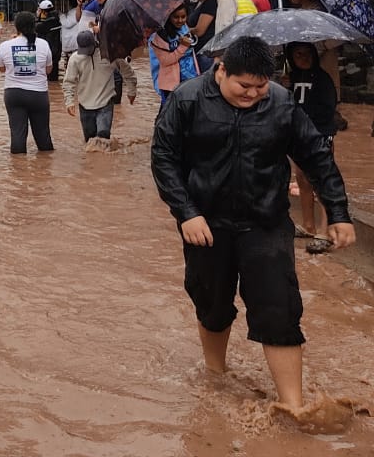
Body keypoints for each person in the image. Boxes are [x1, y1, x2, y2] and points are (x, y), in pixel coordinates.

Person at [151, 36, 355, 415]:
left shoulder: (279, 103)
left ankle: (293, 407)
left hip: (266, 222)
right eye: (244, 86)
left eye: (261, 87)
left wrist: (339, 213)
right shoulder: (188, 100)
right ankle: (216, 375)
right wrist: (186, 212)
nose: (253, 94)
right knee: (211, 303)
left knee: (278, 309)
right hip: (206, 224)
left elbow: (316, 157)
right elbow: (163, 158)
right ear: (221, 70)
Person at [280, 42, 339, 245]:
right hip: (298, 138)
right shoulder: (290, 79)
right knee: (304, 182)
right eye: (298, 54)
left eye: (307, 53)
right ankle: (308, 226)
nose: (303, 58)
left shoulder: (323, 80)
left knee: (322, 183)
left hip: (319, 136)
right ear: (291, 58)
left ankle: (325, 231)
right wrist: (285, 88)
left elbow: (329, 109)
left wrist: (318, 132)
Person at [63, 30, 136, 142]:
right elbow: (69, 82)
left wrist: (132, 91)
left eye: (88, 49)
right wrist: (69, 102)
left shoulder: (110, 54)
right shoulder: (75, 58)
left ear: (95, 44)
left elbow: (128, 72)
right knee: (89, 140)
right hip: (85, 105)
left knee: (103, 137)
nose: (86, 53)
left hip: (105, 103)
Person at [0, 10, 54, 154]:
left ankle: (18, 171)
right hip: (38, 95)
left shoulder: (5, 46)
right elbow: (48, 70)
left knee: (17, 135)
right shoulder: (44, 45)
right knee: (43, 136)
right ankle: (46, 169)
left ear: (17, 27)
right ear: (34, 26)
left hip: (14, 94)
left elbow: (2, 69)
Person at [148, 6, 199, 107]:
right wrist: (183, 46)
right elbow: (165, 60)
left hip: (191, 79)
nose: (180, 20)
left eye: (183, 17)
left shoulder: (185, 28)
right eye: (176, 17)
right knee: (168, 116)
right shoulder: (159, 36)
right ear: (169, 17)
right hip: (170, 84)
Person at [187, 0, 218, 69]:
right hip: (199, 50)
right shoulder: (200, 3)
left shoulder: (210, 4)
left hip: (205, 52)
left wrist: (183, 30)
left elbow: (200, 31)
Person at [34, 0, 62, 85]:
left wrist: (37, 17)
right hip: (56, 51)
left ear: (43, 11)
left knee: (46, 81)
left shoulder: (45, 24)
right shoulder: (57, 19)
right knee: (54, 78)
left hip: (47, 53)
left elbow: (36, 27)